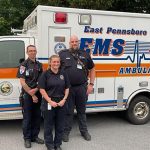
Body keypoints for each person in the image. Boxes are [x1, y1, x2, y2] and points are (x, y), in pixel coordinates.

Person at [59, 35, 95, 142]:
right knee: (68, 111)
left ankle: (84, 131)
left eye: (76, 41)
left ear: (78, 42)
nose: (74, 43)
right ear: (69, 43)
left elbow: (92, 69)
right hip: (68, 89)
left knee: (81, 111)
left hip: (81, 88)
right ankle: (66, 132)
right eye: (72, 41)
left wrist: (91, 85)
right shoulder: (62, 54)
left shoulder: (85, 54)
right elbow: (56, 68)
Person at [38, 55, 70, 150]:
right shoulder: (45, 74)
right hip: (49, 101)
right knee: (48, 125)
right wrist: (50, 101)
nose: (56, 63)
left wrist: (64, 99)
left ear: (60, 63)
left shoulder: (63, 73)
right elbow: (42, 89)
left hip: (61, 102)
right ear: (50, 63)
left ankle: (58, 144)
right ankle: (50, 145)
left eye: (58, 62)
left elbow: (67, 87)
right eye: (54, 62)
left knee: (60, 125)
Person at [17, 45, 44, 148]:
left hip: (37, 93)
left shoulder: (40, 65)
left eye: (34, 50)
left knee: (37, 116)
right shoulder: (23, 65)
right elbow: (22, 82)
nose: (32, 52)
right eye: (30, 51)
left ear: (36, 52)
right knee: (27, 117)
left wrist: (36, 91)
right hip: (27, 95)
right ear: (27, 52)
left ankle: (35, 136)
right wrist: (32, 94)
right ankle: (27, 138)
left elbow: (41, 81)